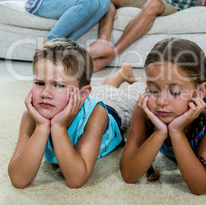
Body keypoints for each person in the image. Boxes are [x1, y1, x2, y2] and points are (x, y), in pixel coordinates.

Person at [119, 38, 206, 195]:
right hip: (197, 92)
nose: (161, 102)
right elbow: (129, 175)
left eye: (174, 92)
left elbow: (200, 187)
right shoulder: (145, 106)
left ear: (199, 92)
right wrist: (160, 132)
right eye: (153, 89)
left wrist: (176, 131)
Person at [8, 38, 146, 189]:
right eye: (40, 83)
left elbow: (76, 179)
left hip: (116, 107)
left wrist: (58, 127)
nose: (45, 93)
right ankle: (122, 74)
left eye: (59, 85)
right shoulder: (30, 117)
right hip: (84, 97)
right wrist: (41, 127)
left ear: (82, 93)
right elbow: (18, 179)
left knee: (137, 93)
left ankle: (139, 80)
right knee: (104, 89)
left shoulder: (97, 115)